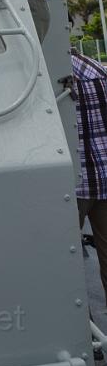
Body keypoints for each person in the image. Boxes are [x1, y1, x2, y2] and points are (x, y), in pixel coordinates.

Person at [71, 48, 107, 310]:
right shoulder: (99, 70)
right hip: (105, 177)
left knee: (66, 264)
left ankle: (83, 330)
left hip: (72, 184)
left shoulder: (49, 74)